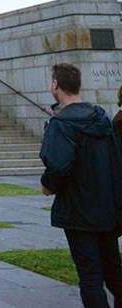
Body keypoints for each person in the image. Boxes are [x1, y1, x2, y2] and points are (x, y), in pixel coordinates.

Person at [42, 63, 122, 307]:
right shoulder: (102, 117)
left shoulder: (61, 124)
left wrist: (48, 184)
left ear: (55, 85)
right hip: (106, 207)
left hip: (79, 210)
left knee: (90, 276)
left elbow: (58, 166)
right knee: (113, 270)